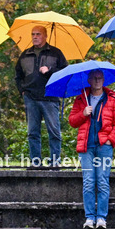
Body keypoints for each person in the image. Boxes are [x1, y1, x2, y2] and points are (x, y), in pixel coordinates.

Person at [68, 69, 115, 229]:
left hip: (103, 147)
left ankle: (101, 218)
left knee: (102, 182)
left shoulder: (112, 99)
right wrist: (83, 113)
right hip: (86, 147)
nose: (98, 81)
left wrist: (109, 140)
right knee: (88, 182)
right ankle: (89, 218)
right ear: (89, 80)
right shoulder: (81, 99)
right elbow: (72, 121)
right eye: (94, 78)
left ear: (104, 80)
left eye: (100, 78)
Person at [14, 26, 68, 168]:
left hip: (50, 97)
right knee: (32, 132)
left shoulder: (56, 53)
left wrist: (50, 71)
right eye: (33, 34)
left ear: (45, 36)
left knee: (54, 132)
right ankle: (35, 162)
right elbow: (17, 75)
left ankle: (55, 162)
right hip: (31, 97)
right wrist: (22, 91)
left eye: (38, 34)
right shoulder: (25, 54)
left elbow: (65, 73)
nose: (35, 37)